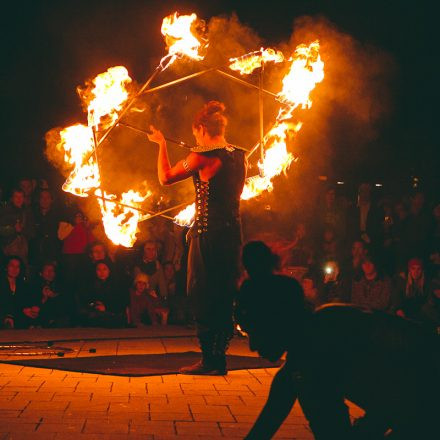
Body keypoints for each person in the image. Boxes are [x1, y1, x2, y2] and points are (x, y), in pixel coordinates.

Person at [236, 241, 439, 440]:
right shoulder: (324, 327)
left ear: (277, 321)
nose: (253, 346)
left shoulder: (315, 357)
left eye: (255, 331)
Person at [147, 100, 246, 375]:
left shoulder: (203, 155)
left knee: (202, 292)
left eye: (195, 134)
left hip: (208, 234)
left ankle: (209, 360)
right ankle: (218, 358)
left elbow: (165, 178)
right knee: (224, 293)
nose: (195, 139)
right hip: (232, 233)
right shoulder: (239, 155)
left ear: (202, 129)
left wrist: (162, 145)